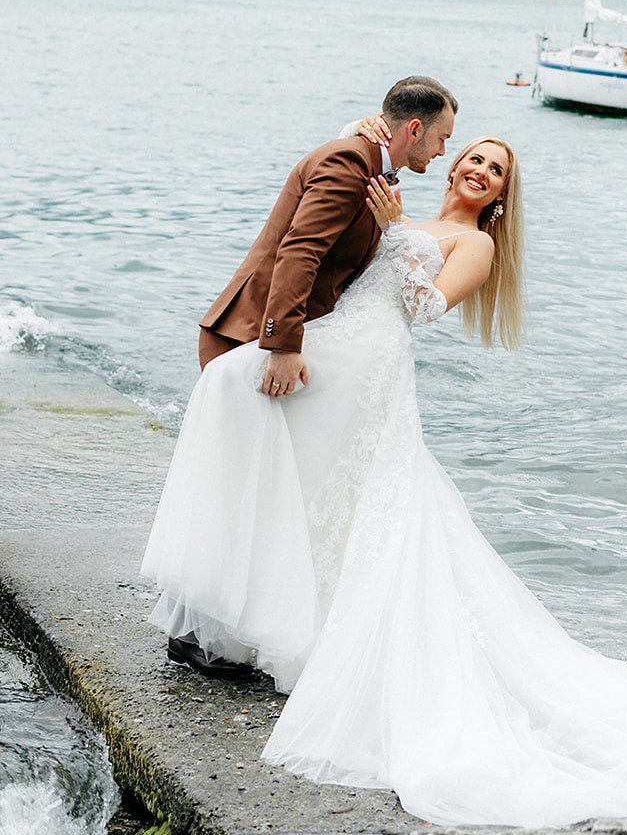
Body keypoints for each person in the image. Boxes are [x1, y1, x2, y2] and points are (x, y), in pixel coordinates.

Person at [146, 123, 627, 826]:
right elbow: (333, 224)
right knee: (292, 459)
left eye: (496, 170)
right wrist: (362, 157)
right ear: (452, 162)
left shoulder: (475, 243)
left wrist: (393, 234)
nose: (481, 170)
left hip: (374, 361)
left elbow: (425, 307)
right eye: (475, 157)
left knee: (309, 454)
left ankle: (313, 638)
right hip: (337, 340)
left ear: (500, 196)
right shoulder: (400, 203)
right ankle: (259, 617)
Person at [145, 75, 457, 677]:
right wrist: (284, 346)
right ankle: (200, 634)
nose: (444, 151)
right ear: (415, 129)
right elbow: (300, 251)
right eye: (442, 138)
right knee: (238, 490)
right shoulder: (351, 161)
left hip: (282, 334)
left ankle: (205, 632)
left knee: (251, 489)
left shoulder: (369, 165)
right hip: (252, 335)